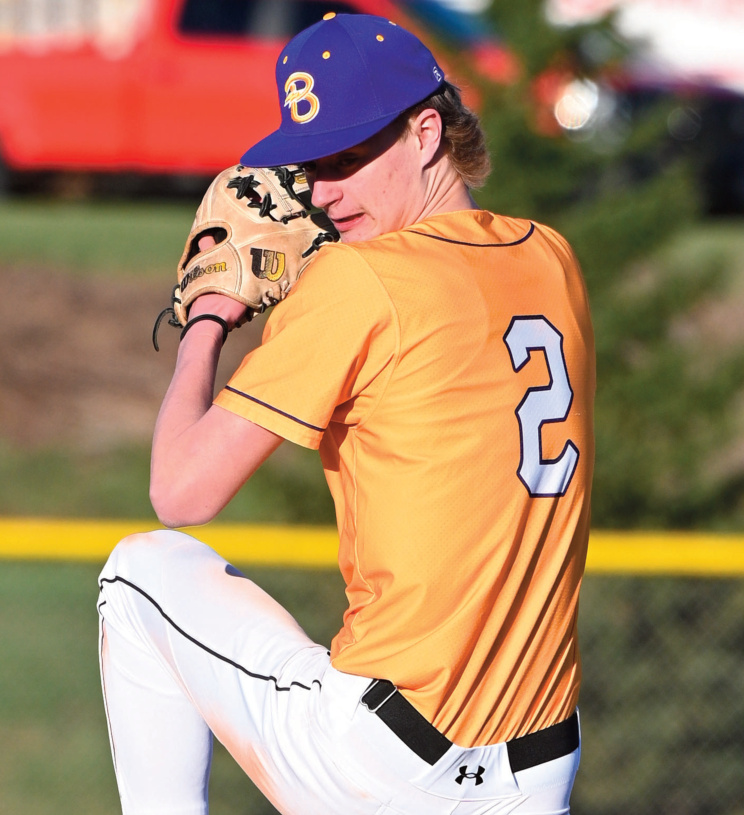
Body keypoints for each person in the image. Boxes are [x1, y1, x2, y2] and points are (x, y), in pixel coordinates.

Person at [97, 12, 595, 815]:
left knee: (141, 572)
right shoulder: (551, 258)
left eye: (348, 156)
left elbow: (179, 491)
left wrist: (209, 318)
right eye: (312, 165)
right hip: (539, 775)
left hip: (385, 762)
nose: (324, 192)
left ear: (425, 133)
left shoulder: (359, 282)